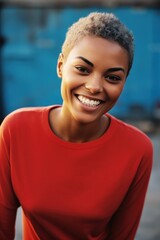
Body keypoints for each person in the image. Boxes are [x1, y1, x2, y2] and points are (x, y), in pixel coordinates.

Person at [0, 12, 153, 240]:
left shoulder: (137, 149)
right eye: (82, 69)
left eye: (112, 77)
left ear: (123, 83)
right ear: (61, 66)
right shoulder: (16, 129)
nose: (94, 86)